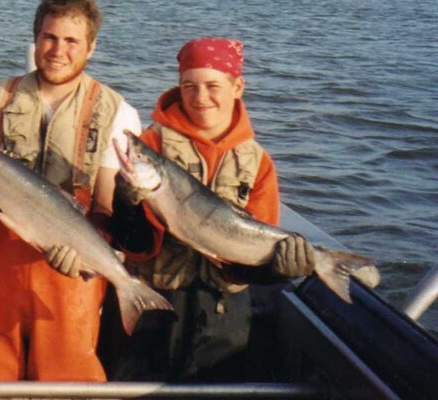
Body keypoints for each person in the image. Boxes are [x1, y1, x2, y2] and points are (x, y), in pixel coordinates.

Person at [0, 0, 141, 382]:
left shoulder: (118, 112)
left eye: (71, 41)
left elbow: (105, 206)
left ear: (90, 47)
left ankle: (127, 292)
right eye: (49, 38)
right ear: (35, 40)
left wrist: (86, 258)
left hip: (71, 273)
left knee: (68, 383)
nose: (58, 50)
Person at [105, 37, 314, 381]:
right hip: (152, 303)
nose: (200, 97)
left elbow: (252, 266)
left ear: (237, 86)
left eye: (212, 86)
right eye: (189, 86)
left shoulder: (257, 161)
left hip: (222, 315)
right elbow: (134, 243)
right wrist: (126, 200)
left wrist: (282, 267)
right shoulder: (152, 144)